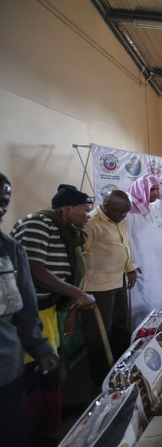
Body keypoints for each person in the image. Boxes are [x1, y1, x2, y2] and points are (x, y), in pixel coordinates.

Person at [11, 184, 96, 433]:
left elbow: (70, 275)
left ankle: (52, 415)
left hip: (49, 308)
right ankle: (32, 427)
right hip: (27, 313)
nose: (87, 215)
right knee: (34, 369)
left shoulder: (69, 232)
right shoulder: (37, 224)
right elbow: (34, 270)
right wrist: (78, 295)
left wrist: (71, 310)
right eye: (84, 209)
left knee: (51, 365)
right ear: (66, 208)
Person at [0, 173, 59, 446]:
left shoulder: (10, 249)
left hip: (7, 368)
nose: (0, 209)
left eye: (4, 202)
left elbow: (24, 308)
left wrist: (39, 346)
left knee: (13, 433)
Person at [81, 190, 136, 382]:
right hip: (98, 287)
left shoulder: (119, 220)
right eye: (120, 212)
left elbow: (125, 246)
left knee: (121, 326)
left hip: (118, 281)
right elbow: (80, 256)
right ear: (106, 206)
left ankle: (121, 369)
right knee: (99, 333)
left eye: (126, 212)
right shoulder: (90, 223)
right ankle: (101, 377)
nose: (123, 216)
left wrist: (130, 269)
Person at [126, 175, 162, 326]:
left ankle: (161, 331)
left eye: (157, 189)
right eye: (152, 189)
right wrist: (132, 265)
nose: (156, 193)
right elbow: (127, 239)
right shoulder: (129, 210)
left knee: (161, 294)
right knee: (146, 299)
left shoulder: (149, 207)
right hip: (142, 266)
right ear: (141, 190)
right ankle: (145, 334)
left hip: (157, 264)